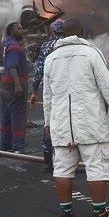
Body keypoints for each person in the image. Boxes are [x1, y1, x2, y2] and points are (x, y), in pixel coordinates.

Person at [43, 18, 109, 217]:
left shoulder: (51, 58)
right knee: (97, 168)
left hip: (62, 125)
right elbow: (107, 88)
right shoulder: (91, 54)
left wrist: (47, 123)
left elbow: (47, 96)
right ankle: (99, 212)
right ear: (81, 32)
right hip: (92, 124)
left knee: (63, 169)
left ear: (62, 34)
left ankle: (66, 213)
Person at [29, 18, 65, 172]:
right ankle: (67, 162)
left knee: (48, 123)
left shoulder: (45, 46)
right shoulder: (69, 46)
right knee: (67, 123)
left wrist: (34, 91)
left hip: (49, 89)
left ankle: (47, 161)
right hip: (66, 90)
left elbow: (38, 71)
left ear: (51, 31)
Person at [0, 22, 29, 153]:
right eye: (19, 29)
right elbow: (12, 67)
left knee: (6, 115)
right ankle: (19, 147)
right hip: (14, 86)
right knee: (18, 116)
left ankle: (6, 145)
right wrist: (18, 85)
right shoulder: (14, 47)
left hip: (6, 86)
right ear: (11, 31)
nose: (22, 31)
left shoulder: (7, 44)